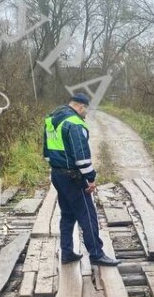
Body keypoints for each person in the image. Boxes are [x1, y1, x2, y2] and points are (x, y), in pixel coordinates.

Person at [42, 92, 119, 267]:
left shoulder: (52, 118)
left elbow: (46, 151)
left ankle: (67, 251)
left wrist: (56, 166)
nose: (86, 113)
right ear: (80, 106)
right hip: (73, 177)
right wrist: (90, 178)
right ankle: (96, 254)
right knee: (88, 215)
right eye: (86, 110)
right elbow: (82, 157)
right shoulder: (75, 124)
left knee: (68, 214)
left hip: (57, 173)